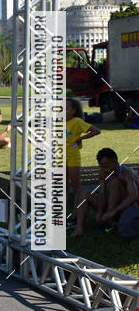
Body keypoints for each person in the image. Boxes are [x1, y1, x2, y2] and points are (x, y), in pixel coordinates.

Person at [73, 148, 138, 237]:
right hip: (110, 207)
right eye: (101, 166)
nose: (104, 169)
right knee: (84, 193)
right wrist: (100, 211)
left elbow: (134, 197)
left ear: (115, 162)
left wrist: (113, 212)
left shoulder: (127, 173)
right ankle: (79, 227)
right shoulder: (103, 173)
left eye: (106, 166)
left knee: (114, 183)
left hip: (125, 209)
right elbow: (102, 194)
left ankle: (109, 222)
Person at [66, 97, 100, 231]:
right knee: (61, 187)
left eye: (66, 108)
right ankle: (61, 216)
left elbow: (96, 131)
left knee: (76, 187)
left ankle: (75, 215)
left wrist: (81, 138)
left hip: (73, 157)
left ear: (74, 111)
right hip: (58, 158)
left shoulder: (77, 121)